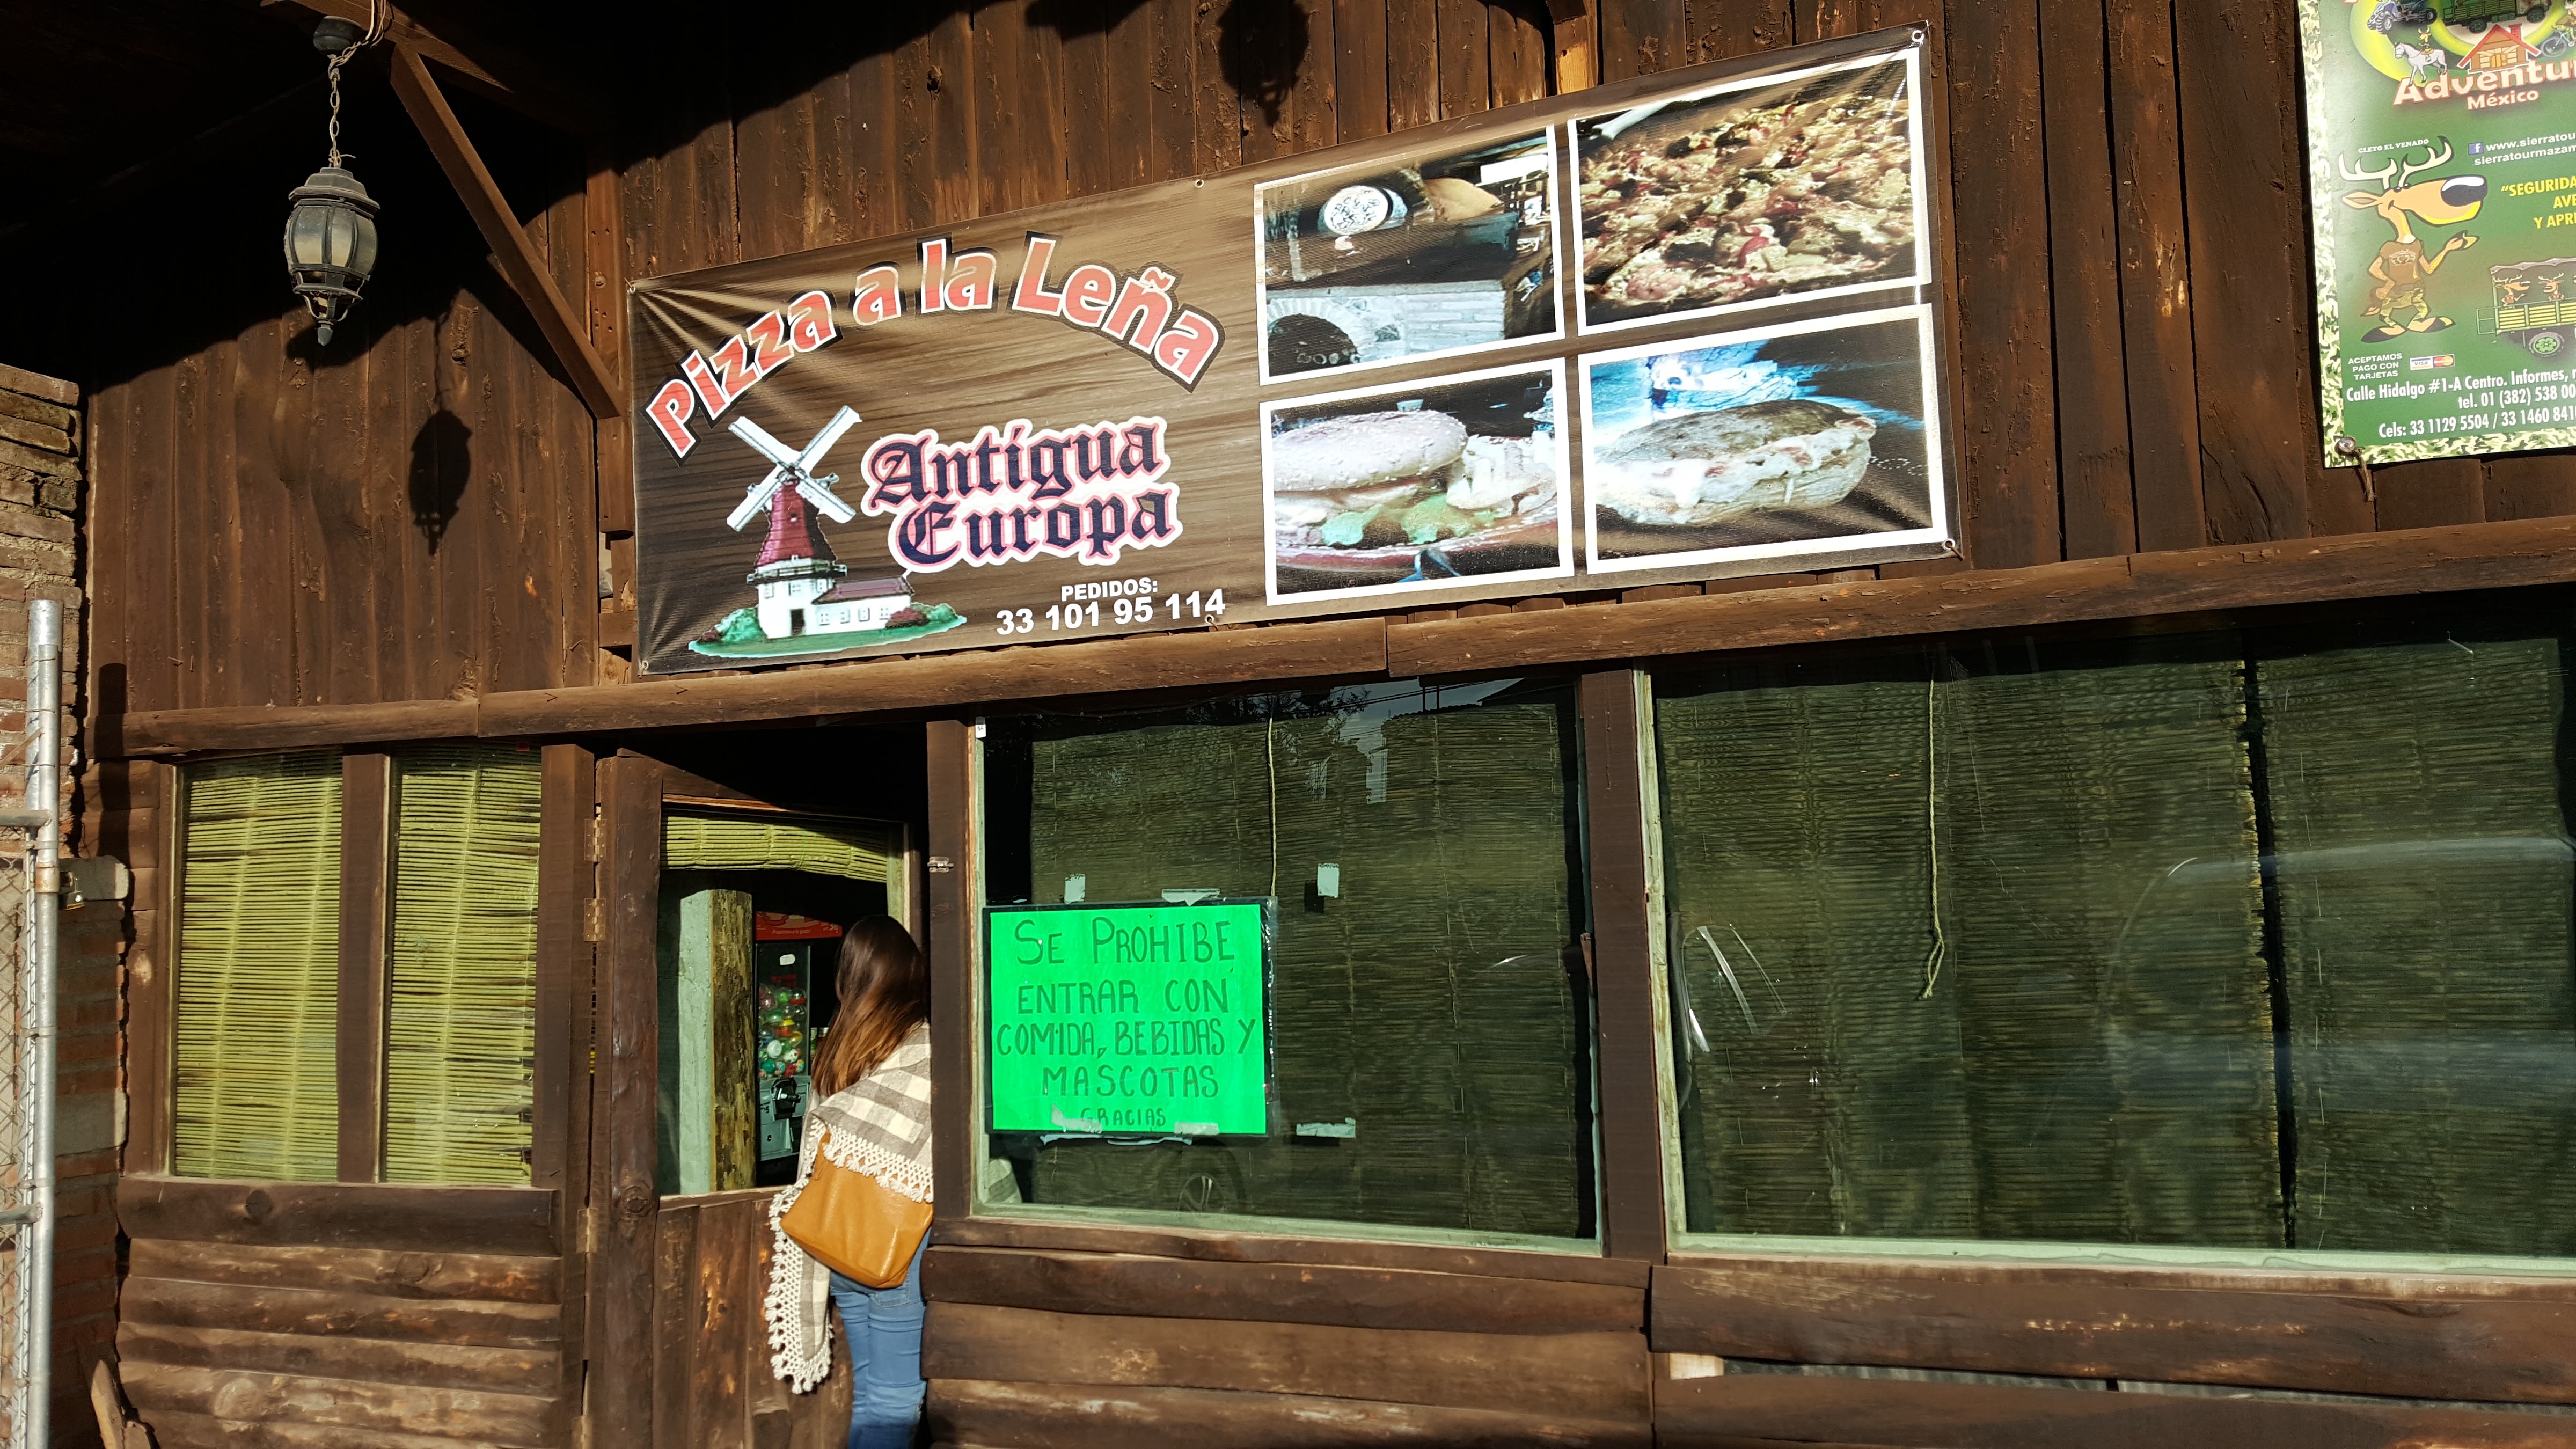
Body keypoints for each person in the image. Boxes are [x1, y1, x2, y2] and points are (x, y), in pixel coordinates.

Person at [763, 916, 933, 1449]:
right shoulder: (928, 1049)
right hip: (898, 1250)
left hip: (839, 1242)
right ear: (912, 973)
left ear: (850, 976)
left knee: (871, 1398)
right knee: (896, 1401)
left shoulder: (836, 1051)